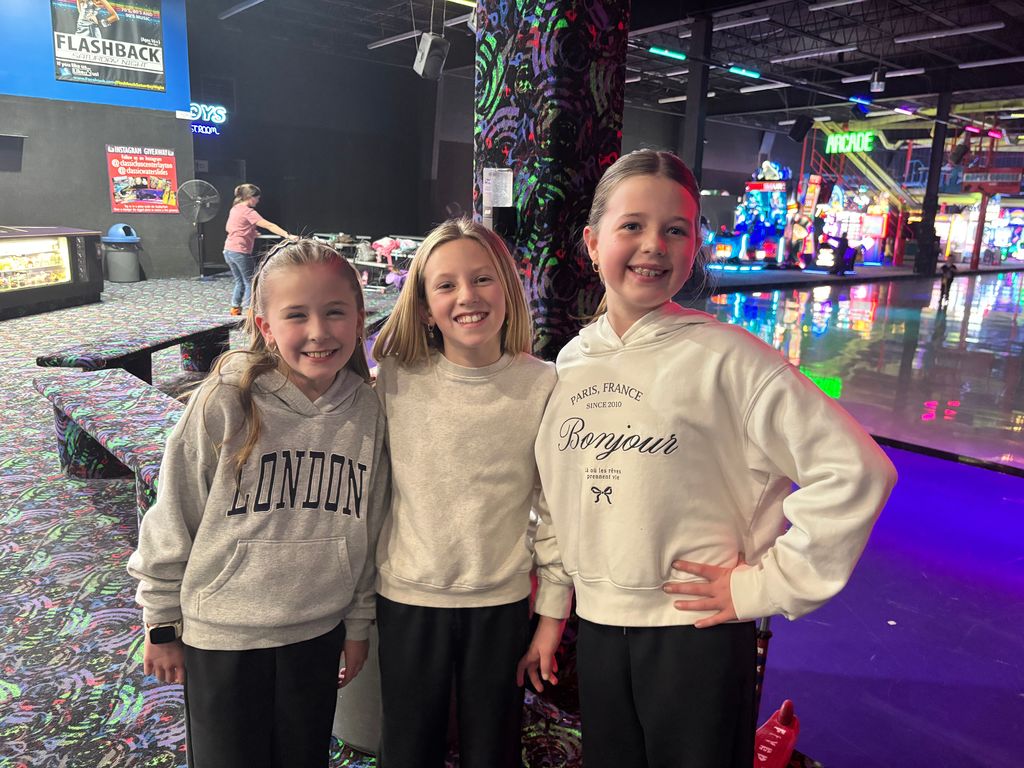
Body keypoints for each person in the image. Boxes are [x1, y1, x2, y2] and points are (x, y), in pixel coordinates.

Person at [533, 150, 897, 768]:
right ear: (593, 243)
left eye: (676, 230)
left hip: (695, 635)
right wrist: (557, 603)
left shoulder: (731, 358)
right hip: (595, 630)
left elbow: (857, 472)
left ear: (694, 246)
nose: (654, 245)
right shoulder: (570, 363)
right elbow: (561, 500)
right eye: (633, 226)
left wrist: (765, 586)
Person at [127, 239, 390, 768]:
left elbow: (371, 526)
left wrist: (358, 625)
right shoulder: (225, 400)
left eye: (335, 312)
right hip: (223, 637)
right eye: (297, 316)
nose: (319, 331)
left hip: (317, 632)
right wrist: (160, 622)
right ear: (265, 325)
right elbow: (173, 515)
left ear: (360, 318)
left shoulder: (368, 409)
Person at [371, 218, 572, 768]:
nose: (467, 297)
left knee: (494, 747)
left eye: (482, 279)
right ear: (422, 304)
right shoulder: (394, 378)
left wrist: (551, 615)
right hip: (408, 600)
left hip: (500, 604)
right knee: (409, 747)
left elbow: (556, 512)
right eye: (446, 285)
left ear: (508, 285)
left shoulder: (544, 383)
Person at [224, 183, 295, 316]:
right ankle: (252, 311)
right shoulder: (248, 212)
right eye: (257, 198)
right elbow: (269, 225)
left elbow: (231, 227)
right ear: (250, 197)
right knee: (251, 281)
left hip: (228, 250)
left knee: (240, 281)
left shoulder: (235, 209)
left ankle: (235, 308)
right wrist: (287, 235)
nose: (258, 200)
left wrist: (251, 232)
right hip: (240, 251)